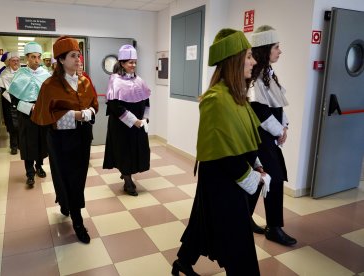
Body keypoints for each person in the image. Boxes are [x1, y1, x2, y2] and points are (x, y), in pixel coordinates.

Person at [172, 29, 269, 276]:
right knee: (239, 246)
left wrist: (256, 163)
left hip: (230, 176)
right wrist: (252, 177)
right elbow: (226, 155)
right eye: (248, 56)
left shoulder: (237, 97)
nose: (254, 61)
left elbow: (245, 138)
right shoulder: (216, 99)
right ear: (234, 60)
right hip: (223, 180)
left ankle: (183, 262)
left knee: (203, 223)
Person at [31, 36, 98, 244]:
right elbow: (42, 115)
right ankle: (68, 206)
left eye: (78, 55)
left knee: (78, 177)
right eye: (72, 56)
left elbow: (95, 105)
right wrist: (74, 115)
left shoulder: (85, 81)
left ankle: (75, 214)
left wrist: (89, 112)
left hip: (82, 136)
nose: (78, 59)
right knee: (62, 174)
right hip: (60, 138)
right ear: (60, 59)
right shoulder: (50, 85)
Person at [247, 25, 297, 246]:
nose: (280, 51)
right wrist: (279, 131)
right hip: (260, 138)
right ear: (266, 48)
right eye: (277, 47)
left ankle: (244, 218)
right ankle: (274, 228)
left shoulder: (268, 72)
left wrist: (284, 125)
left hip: (270, 136)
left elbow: (277, 103)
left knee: (261, 180)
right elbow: (260, 111)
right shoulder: (255, 76)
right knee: (273, 179)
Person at [102, 45, 151, 196]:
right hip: (122, 125)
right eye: (130, 62)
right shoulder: (115, 80)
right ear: (122, 63)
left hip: (138, 124)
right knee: (124, 152)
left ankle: (127, 173)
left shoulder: (139, 80)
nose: (133, 65)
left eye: (135, 62)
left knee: (136, 151)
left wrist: (144, 118)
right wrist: (133, 120)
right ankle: (128, 182)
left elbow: (147, 101)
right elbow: (114, 106)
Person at [9, 42, 51, 187]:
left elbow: (50, 96)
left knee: (41, 141)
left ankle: (39, 166)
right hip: (26, 115)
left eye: (38, 57)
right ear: (27, 58)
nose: (36, 60)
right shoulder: (20, 74)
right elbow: (14, 99)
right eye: (33, 57)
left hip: (42, 115)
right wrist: (29, 107)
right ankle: (29, 173)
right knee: (28, 143)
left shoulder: (45, 74)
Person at [0, 52, 21, 155]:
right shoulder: (4, 74)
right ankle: (14, 146)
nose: (15, 62)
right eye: (13, 60)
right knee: (12, 125)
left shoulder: (23, 72)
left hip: (22, 102)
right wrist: (11, 98)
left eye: (17, 60)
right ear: (9, 62)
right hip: (9, 102)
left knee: (21, 123)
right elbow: (1, 89)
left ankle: (21, 144)